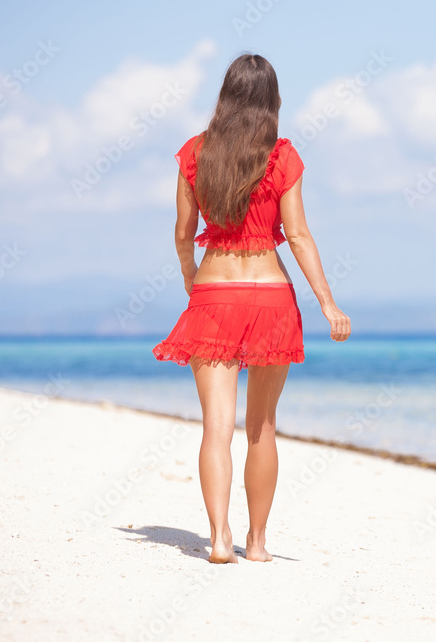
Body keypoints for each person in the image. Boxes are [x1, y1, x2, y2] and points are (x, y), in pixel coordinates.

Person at [153, 53, 351, 564]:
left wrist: (190, 276)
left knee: (216, 426)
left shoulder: (194, 154)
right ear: (273, 102)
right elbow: (300, 235)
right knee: (261, 424)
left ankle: (219, 540)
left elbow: (180, 233)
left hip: (214, 295)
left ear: (224, 96)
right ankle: (257, 544)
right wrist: (328, 303)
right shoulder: (283, 156)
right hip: (271, 299)